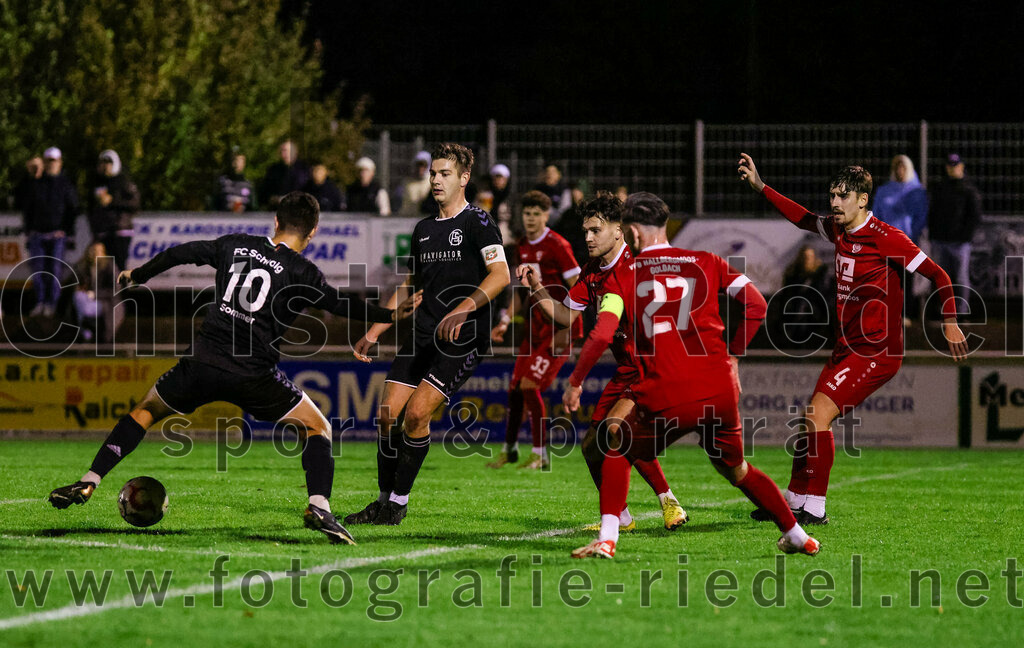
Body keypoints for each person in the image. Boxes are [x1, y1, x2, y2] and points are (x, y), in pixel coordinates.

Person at [48, 192, 421, 545]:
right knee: (317, 427)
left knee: (144, 412)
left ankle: (88, 480)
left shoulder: (235, 244)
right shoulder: (302, 271)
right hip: (253, 374)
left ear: (275, 221)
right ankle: (320, 507)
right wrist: (390, 314)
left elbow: (182, 253)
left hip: (203, 363)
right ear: (312, 233)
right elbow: (341, 305)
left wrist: (140, 274)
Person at [559, 192, 820, 560]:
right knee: (737, 469)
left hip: (669, 387)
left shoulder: (625, 275)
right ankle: (796, 534)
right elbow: (757, 305)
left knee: (615, 445)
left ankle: (608, 537)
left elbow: (602, 333)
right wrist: (734, 356)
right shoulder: (706, 261)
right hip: (719, 387)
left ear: (632, 232)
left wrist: (574, 382)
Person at [737, 153, 968, 525]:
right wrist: (762, 187)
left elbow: (938, 274)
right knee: (809, 419)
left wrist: (950, 320)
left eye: (842, 196)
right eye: (832, 195)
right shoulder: (838, 229)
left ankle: (815, 506)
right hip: (847, 347)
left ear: (863, 200)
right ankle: (794, 499)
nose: (833, 202)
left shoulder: (887, 238)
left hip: (878, 350)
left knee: (818, 415)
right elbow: (802, 217)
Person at [346, 143, 510, 526]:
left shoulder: (478, 222)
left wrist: (464, 307)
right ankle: (384, 502)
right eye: (433, 173)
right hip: (424, 333)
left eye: (444, 174)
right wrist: (374, 331)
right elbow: (408, 286)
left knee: (417, 415)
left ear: (464, 178)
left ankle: (398, 504)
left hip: (464, 336)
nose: (435, 180)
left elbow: (501, 275)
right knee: (386, 416)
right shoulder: (422, 230)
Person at [517, 194, 685, 533]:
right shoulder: (592, 271)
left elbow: (603, 334)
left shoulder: (635, 265)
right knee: (592, 448)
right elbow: (565, 316)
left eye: (596, 230)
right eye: (586, 231)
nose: (588, 238)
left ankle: (670, 502)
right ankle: (621, 518)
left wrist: (576, 380)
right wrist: (536, 288)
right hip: (628, 369)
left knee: (616, 429)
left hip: (656, 365)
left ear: (620, 231)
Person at [488, 190, 582, 470]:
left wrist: (569, 325)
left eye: (535, 214)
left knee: (530, 387)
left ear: (546, 216)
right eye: (526, 213)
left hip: (558, 330)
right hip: (534, 330)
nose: (530, 219)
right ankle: (510, 449)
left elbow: (579, 285)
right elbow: (520, 292)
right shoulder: (522, 245)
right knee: (515, 389)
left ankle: (541, 455)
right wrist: (504, 320)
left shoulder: (558, 244)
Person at [16, 147, 79, 317]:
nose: (51, 164)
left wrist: (68, 233)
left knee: (54, 271)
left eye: (54, 161)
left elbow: (73, 210)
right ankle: (41, 302)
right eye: (48, 161)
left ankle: (52, 305)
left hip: (57, 236)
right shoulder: (35, 182)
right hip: (37, 235)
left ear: (60, 163)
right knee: (38, 271)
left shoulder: (65, 184)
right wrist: (30, 176)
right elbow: (21, 203)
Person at [874, 154, 928, 323]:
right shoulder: (884, 191)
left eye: (903, 167)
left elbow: (921, 216)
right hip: (887, 243)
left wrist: (911, 234)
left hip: (908, 242)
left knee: (907, 279)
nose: (900, 171)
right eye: (897, 167)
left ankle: (905, 314)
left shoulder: (917, 192)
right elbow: (876, 215)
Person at [928, 153, 982, 316]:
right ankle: (944, 312)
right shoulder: (940, 188)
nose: (952, 169)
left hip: (959, 242)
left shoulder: (969, 189)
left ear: (962, 167)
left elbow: (975, 216)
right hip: (940, 241)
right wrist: (934, 234)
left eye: (955, 165)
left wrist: (965, 236)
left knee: (960, 278)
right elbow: (933, 212)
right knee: (942, 279)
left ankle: (961, 312)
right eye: (950, 166)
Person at [88, 149, 139, 273]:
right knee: (102, 269)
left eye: (108, 162)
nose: (105, 166)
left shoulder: (124, 182)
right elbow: (92, 209)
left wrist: (112, 201)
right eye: (102, 162)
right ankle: (106, 292)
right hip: (103, 232)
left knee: (120, 267)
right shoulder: (96, 183)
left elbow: (135, 204)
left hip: (120, 231)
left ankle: (123, 292)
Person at [776, 245, 832, 349]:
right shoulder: (793, 271)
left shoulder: (821, 271)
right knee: (801, 306)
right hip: (795, 306)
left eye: (810, 257)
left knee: (804, 307)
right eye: (805, 257)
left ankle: (797, 338)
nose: (807, 260)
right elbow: (787, 292)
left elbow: (823, 292)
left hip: (816, 307)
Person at [71, 240, 115, 342]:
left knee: (83, 309)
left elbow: (114, 290)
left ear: (103, 252)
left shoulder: (109, 266)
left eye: (98, 251)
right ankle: (86, 330)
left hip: (104, 301)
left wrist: (96, 294)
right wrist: (80, 288)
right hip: (86, 301)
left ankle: (85, 331)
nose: (95, 253)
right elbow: (76, 284)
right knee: (78, 297)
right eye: (93, 250)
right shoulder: (82, 266)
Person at [259, 140, 310, 209]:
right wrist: (273, 199)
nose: (285, 154)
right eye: (283, 151)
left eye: (288, 151)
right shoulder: (273, 170)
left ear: (295, 152)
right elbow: (265, 192)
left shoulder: (305, 169)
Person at [473, 164, 513, 243]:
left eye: (501, 178)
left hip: (506, 239)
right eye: (496, 178)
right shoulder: (485, 196)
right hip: (486, 236)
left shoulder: (510, 198)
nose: (498, 181)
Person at [397, 151, 432, 216]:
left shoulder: (432, 182)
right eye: (418, 165)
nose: (420, 168)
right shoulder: (406, 182)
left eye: (424, 165)